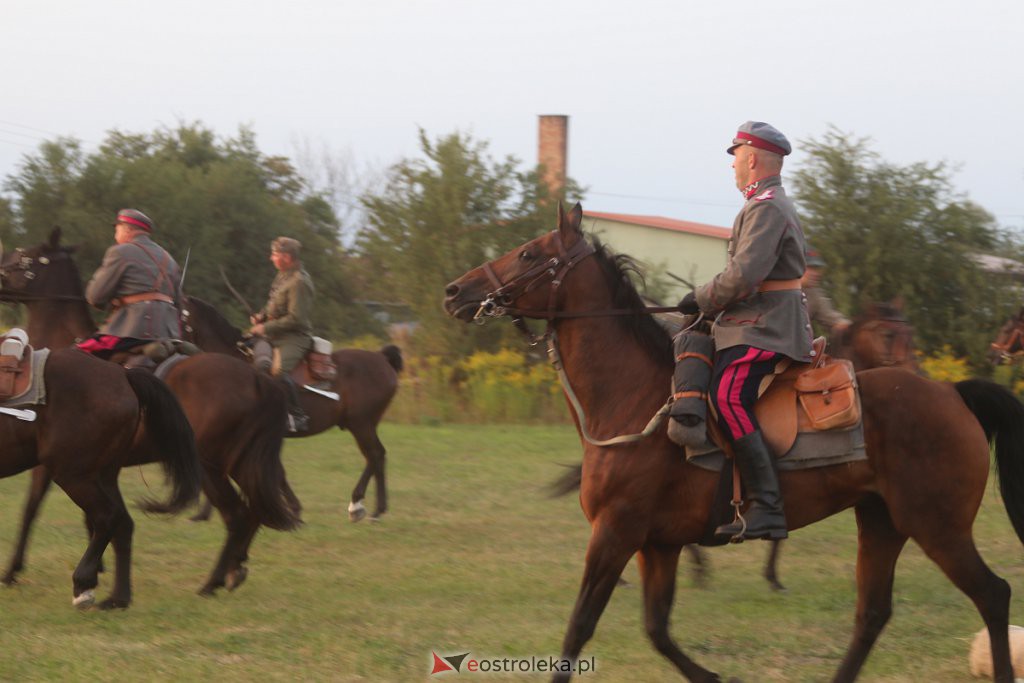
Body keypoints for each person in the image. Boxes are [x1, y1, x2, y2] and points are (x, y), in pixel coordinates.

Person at [676, 121, 812, 543]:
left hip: (767, 327)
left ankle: (769, 509)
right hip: (752, 321)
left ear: (751, 159)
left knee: (727, 395)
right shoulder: (761, 204)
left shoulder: (767, 207)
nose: (733, 165)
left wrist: (699, 297)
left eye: (736, 157)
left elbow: (744, 275)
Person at [81, 208, 183, 364]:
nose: (115, 234)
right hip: (168, 333)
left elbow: (95, 296)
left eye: (117, 228)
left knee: (78, 357)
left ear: (127, 229)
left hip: (133, 330)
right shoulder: (169, 259)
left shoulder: (120, 252)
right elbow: (179, 305)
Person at [249, 236, 314, 432]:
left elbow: (296, 319)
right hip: (275, 334)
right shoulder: (283, 276)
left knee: (277, 373)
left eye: (275, 254)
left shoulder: (299, 282)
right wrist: (261, 317)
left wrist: (265, 328)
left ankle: (297, 416)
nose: (271, 258)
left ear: (286, 257)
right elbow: (274, 304)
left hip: (294, 337)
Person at [802, 247, 851, 337]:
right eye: (810, 267)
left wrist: (855, 326)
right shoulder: (773, 290)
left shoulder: (814, 294)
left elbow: (831, 318)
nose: (816, 273)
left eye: (816, 268)